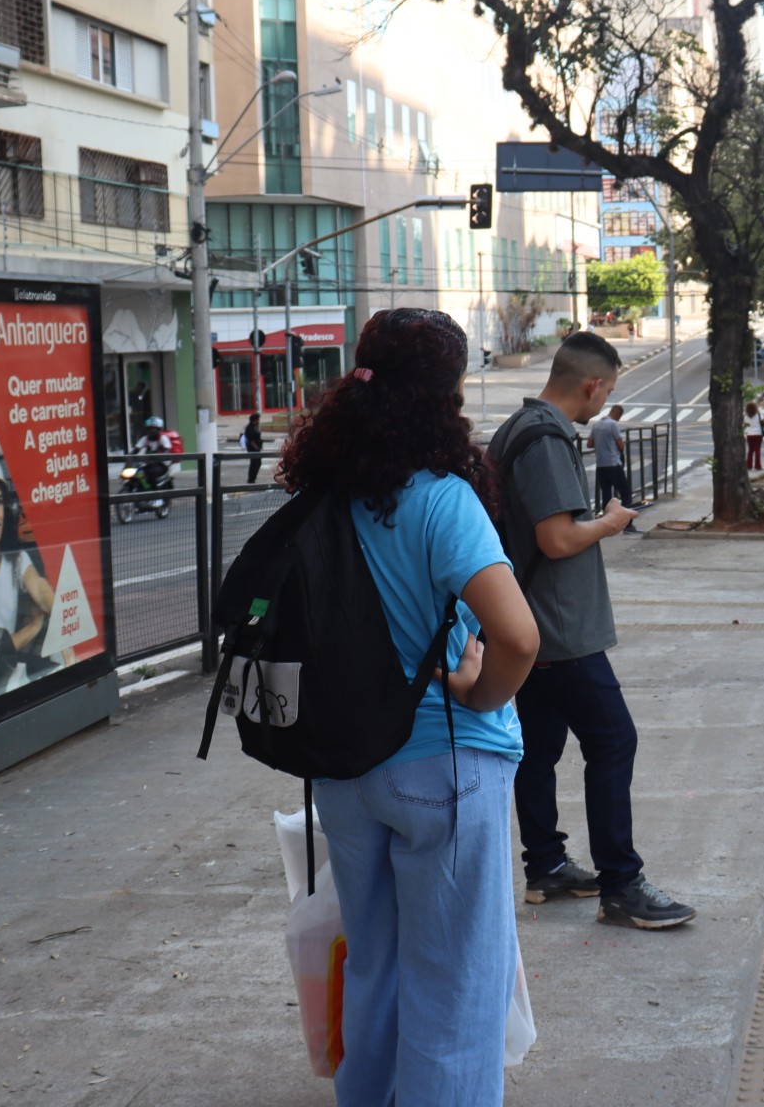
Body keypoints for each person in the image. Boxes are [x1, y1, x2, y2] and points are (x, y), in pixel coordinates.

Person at [278, 308, 540, 1106]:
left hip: (346, 772)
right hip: (445, 767)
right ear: (449, 392)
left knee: (377, 966)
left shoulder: (324, 495)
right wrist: (479, 690)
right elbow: (518, 637)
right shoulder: (440, 500)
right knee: (458, 985)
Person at [488, 332, 696, 931]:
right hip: (560, 630)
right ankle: (621, 885)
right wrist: (608, 522)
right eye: (607, 392)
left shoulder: (515, 427)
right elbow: (555, 539)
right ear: (592, 385)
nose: (603, 403)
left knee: (540, 749)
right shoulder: (548, 439)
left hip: (528, 622)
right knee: (613, 742)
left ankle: (547, 867)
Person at [0, 455, 54, 693]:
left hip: (11, 672)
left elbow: (39, 587)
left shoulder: (16, 559)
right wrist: (34, 627)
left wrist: (62, 612)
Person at [590, 403, 636, 531]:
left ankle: (606, 525)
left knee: (606, 495)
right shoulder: (612, 424)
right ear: (618, 414)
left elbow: (589, 443)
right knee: (625, 493)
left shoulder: (597, 424)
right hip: (613, 464)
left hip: (601, 465)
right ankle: (628, 525)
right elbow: (621, 445)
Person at [239, 412, 264, 485]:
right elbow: (250, 440)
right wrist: (256, 448)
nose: (259, 420)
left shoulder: (255, 426)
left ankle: (253, 478)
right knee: (254, 464)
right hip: (253, 449)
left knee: (258, 463)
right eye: (258, 419)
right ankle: (251, 479)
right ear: (255, 419)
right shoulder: (249, 428)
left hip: (257, 448)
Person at [743, 401, 764, 472]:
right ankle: (757, 466)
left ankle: (748, 465)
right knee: (757, 450)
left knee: (750, 450)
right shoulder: (759, 415)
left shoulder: (745, 416)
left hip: (749, 434)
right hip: (758, 434)